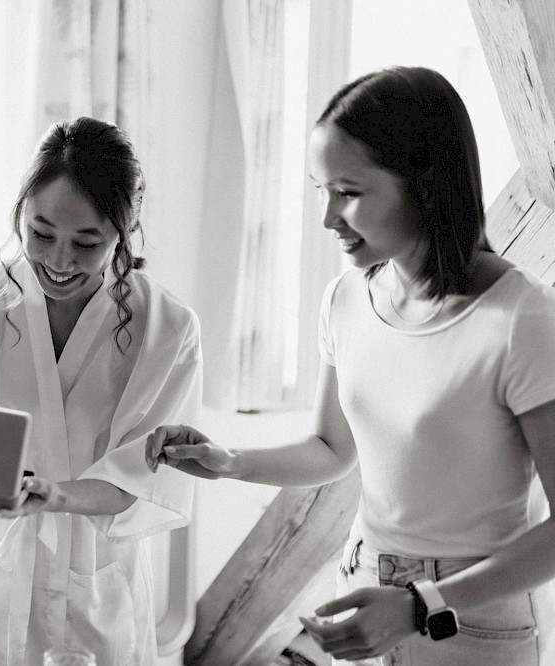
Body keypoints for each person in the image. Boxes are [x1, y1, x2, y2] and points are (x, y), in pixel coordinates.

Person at [147, 66, 555, 665]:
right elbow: (331, 449)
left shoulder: (521, 318)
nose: (328, 217)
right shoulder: (345, 300)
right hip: (361, 598)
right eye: (321, 190)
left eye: (349, 191)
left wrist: (421, 603)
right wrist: (228, 461)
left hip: (468, 627)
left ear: (423, 183)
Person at [0, 116, 202, 666]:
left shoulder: (168, 329)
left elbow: (147, 479)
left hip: (102, 597)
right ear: (20, 214)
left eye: (88, 242)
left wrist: (53, 496)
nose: (59, 262)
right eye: (40, 234)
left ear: (125, 233)